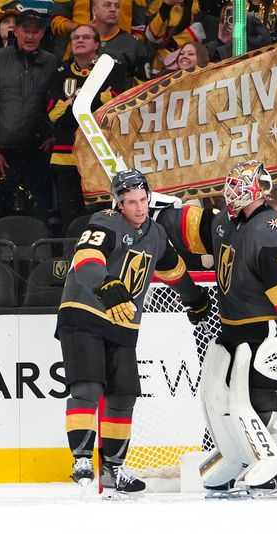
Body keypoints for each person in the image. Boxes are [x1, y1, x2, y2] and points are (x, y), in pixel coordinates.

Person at [155, 161, 277, 497]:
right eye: (230, 185)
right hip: (229, 329)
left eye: (240, 186)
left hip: (262, 329)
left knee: (260, 398)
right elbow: (191, 227)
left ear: (259, 190)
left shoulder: (270, 227)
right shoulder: (224, 223)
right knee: (222, 399)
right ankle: (242, 457)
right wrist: (158, 208)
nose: (232, 193)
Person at [56, 168, 210, 497]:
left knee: (124, 397)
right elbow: (86, 257)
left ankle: (113, 469)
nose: (139, 208)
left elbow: (175, 270)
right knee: (87, 386)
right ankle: (82, 459)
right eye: (131, 202)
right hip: (83, 314)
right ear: (119, 203)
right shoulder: (106, 220)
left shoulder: (155, 234)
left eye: (143, 200)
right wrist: (106, 285)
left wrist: (193, 298)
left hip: (123, 322)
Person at [0, 8, 58, 231]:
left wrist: (53, 136)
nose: (30, 36)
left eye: (36, 31)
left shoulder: (52, 63)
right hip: (0, 155)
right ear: (17, 31)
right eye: (25, 30)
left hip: (37, 154)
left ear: (42, 33)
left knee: (40, 214)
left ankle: (40, 260)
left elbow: (59, 105)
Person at [47, 24, 128, 232]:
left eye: (85, 37)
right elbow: (54, 115)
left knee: (103, 214)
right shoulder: (59, 72)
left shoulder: (113, 69)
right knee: (70, 216)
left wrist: (74, 105)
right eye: (75, 37)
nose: (79, 40)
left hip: (101, 156)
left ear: (97, 44)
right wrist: (97, 101)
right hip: (66, 156)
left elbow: (116, 110)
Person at [91, 0, 153, 87]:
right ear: (94, 10)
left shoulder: (133, 44)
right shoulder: (81, 39)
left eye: (117, 6)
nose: (113, 9)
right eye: (107, 5)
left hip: (121, 99)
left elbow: (145, 87)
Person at [144, 0, 206, 74]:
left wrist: (170, 42)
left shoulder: (196, 7)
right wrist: (167, 5)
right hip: (157, 63)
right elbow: (152, 36)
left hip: (185, 63)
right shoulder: (157, 4)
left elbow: (198, 33)